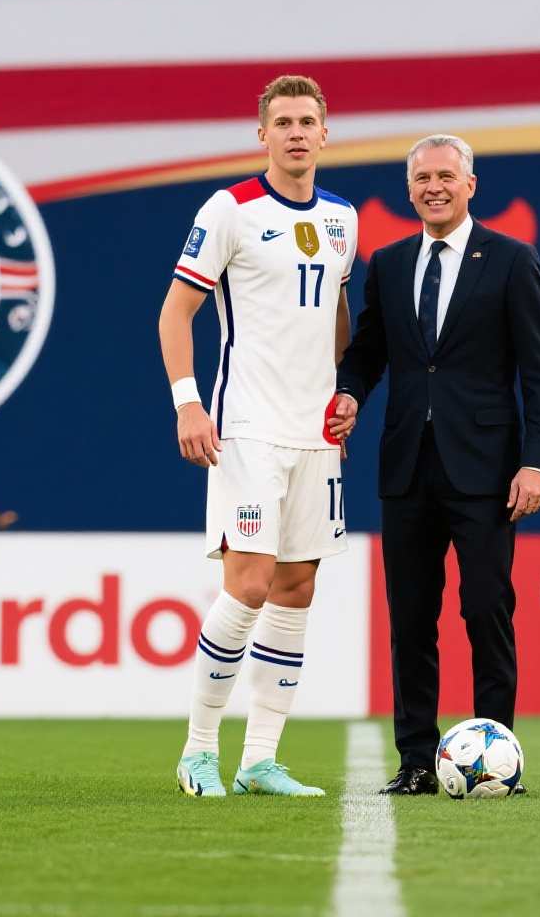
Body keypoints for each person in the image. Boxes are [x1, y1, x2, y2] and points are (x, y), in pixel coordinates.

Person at [327, 134, 540, 795]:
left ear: (470, 185)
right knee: (410, 620)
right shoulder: (390, 262)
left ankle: (496, 757)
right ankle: (414, 761)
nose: (434, 187)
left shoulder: (512, 259)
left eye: (446, 177)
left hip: (487, 471)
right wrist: (349, 393)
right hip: (407, 467)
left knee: (486, 610)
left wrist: (538, 463)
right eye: (423, 178)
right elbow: (370, 350)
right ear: (409, 190)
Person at [159, 75, 357, 798]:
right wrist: (188, 404)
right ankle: (197, 752)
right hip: (247, 427)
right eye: (284, 122)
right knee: (247, 584)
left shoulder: (342, 218)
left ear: (325, 133)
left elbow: (335, 313)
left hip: (316, 435)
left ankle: (260, 760)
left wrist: (345, 391)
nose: (297, 133)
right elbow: (175, 313)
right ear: (263, 134)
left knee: (296, 588)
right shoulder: (230, 209)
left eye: (308, 121)